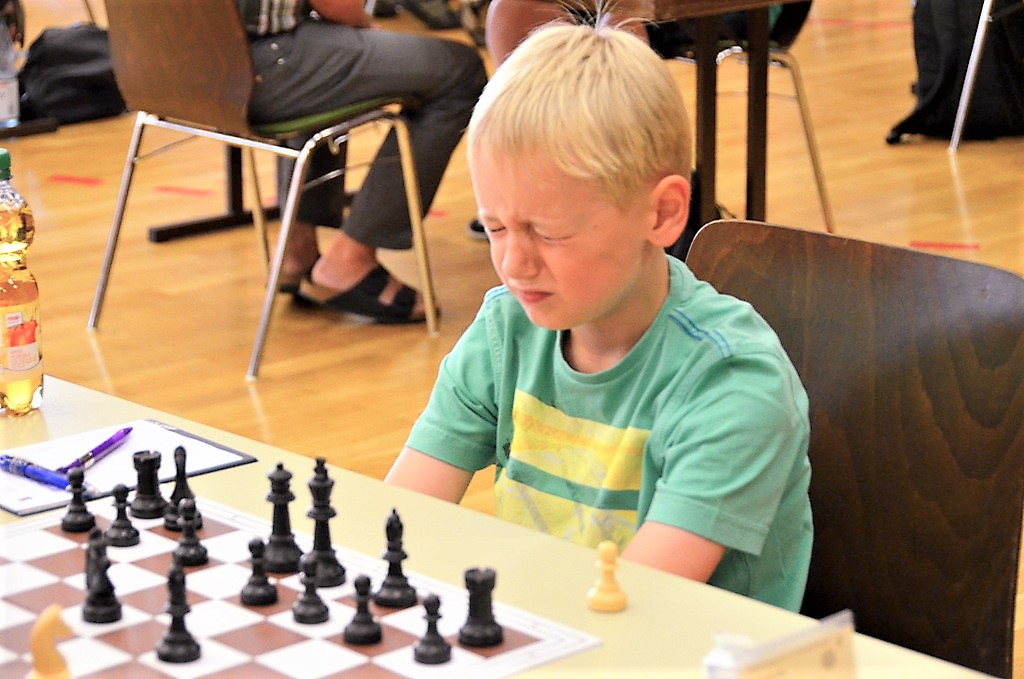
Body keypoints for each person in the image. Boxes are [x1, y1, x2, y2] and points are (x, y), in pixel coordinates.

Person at [385, 22, 813, 611]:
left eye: (548, 232)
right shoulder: (506, 331)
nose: (513, 264)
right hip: (553, 630)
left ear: (662, 214)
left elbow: (633, 608)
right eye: (495, 227)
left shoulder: (732, 382)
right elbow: (400, 521)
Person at [240, 0, 488, 323]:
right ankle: (350, 259)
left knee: (327, 42)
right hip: (267, 69)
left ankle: (296, 248)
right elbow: (336, 5)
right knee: (461, 72)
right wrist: (362, 23)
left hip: (196, 76)